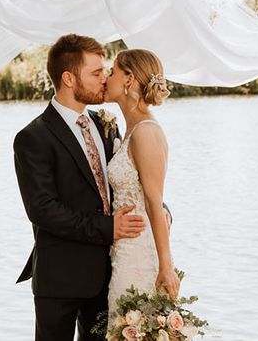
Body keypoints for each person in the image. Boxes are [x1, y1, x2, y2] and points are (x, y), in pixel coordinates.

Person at [13, 34, 146, 341]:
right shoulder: (33, 137)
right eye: (96, 73)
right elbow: (43, 210)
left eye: (105, 72)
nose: (104, 79)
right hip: (59, 277)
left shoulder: (105, 124)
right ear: (69, 78)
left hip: (109, 274)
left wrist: (156, 212)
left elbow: (126, 181)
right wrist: (108, 227)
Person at [104, 48, 180, 317]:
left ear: (128, 79)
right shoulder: (130, 129)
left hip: (138, 254)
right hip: (122, 250)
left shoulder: (146, 132)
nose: (105, 77)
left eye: (111, 71)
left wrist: (165, 266)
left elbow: (153, 201)